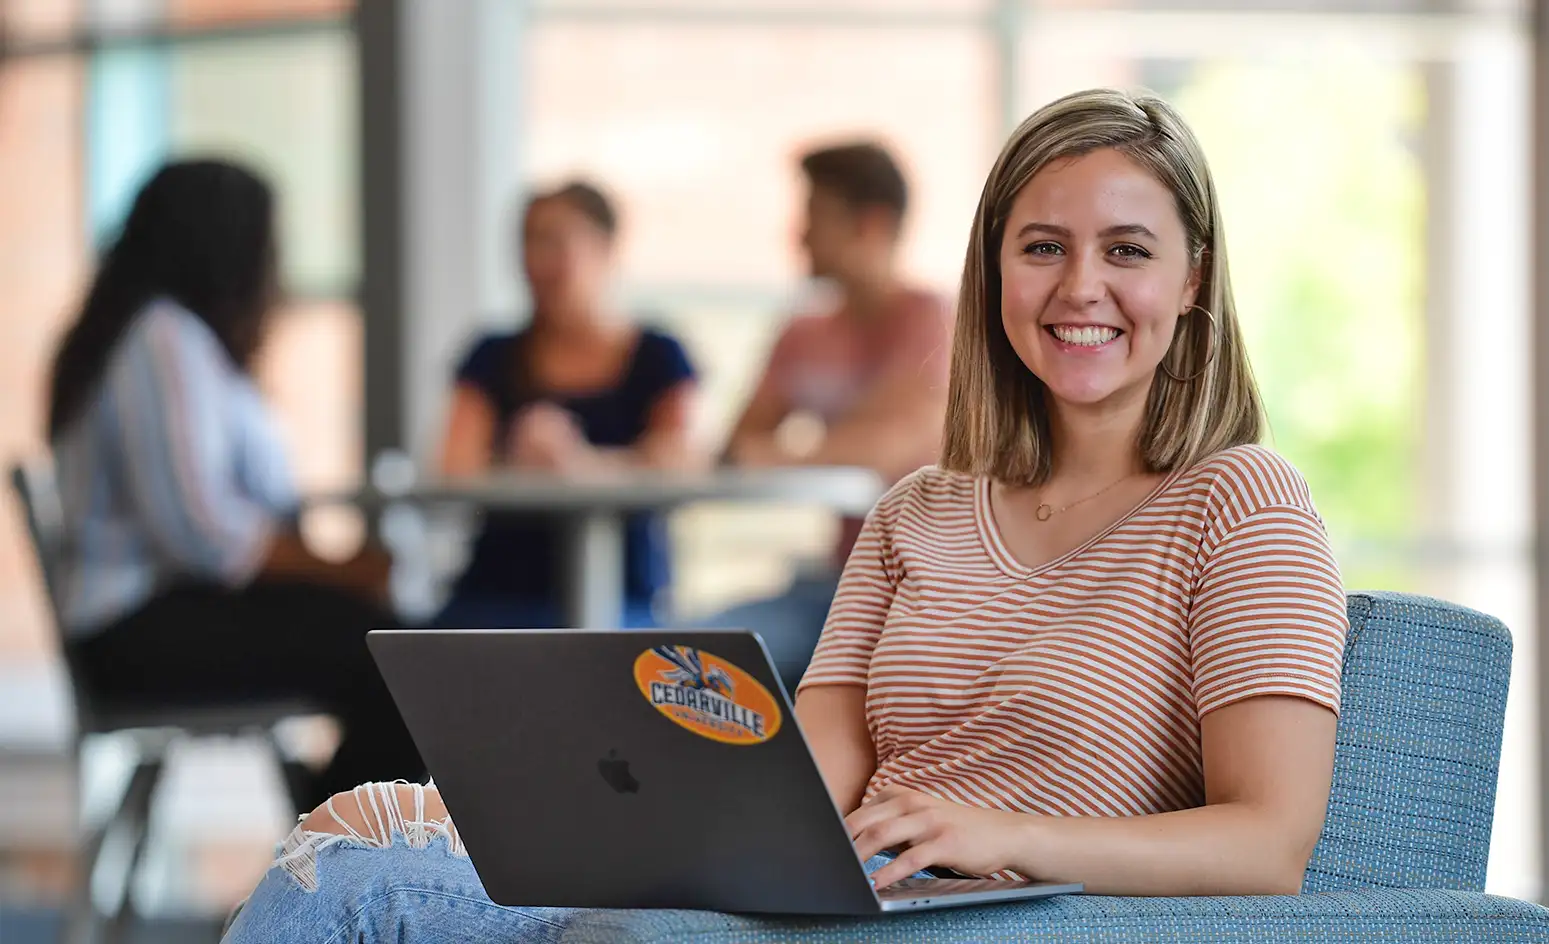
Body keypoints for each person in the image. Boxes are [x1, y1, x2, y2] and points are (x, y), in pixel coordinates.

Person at [221, 88, 1349, 941]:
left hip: (981, 911)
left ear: (1195, 277)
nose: (1078, 287)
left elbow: (1270, 841)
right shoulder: (918, 512)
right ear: (994, 271)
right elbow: (804, 774)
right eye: (1042, 247)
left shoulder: (1240, 501)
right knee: (363, 823)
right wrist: (642, 815)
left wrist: (1008, 836)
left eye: (1128, 251)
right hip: (824, 897)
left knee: (351, 875)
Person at [45, 160, 421, 812]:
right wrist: (342, 569)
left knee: (393, 646)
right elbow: (205, 535)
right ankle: (329, 859)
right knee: (400, 663)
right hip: (137, 633)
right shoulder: (160, 340)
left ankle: (326, 832)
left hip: (159, 617)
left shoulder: (164, 338)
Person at [697, 141, 952, 689]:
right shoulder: (803, 332)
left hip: (929, 590)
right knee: (681, 652)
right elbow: (737, 447)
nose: (800, 235)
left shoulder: (932, 318)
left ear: (871, 224)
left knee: (721, 665)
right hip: (840, 582)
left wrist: (775, 453)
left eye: (815, 215)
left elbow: (889, 447)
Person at [434, 181, 699, 630]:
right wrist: (519, 459)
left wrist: (579, 463)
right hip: (498, 592)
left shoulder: (658, 354)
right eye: (528, 242)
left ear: (606, 247)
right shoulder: (491, 355)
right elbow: (453, 465)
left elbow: (684, 460)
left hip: (625, 595)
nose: (539, 261)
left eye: (555, 242)